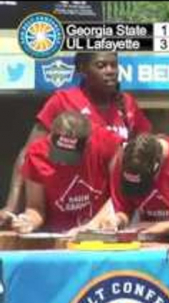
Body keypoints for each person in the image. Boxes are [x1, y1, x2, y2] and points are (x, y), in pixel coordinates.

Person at [0, 52, 151, 228]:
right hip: (64, 206)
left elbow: (145, 152)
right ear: (82, 69)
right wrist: (11, 207)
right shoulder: (63, 101)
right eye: (101, 66)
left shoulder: (128, 104)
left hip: (114, 208)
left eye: (114, 65)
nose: (110, 71)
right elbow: (28, 155)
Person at [11, 111, 120, 234]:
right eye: (59, 153)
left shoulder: (107, 142)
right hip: (58, 235)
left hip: (100, 232)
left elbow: (120, 195)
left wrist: (93, 225)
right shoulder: (37, 155)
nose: (64, 162)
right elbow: (36, 207)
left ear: (88, 143)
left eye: (71, 157)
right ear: (50, 138)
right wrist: (28, 221)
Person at [103, 133, 169, 237]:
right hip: (148, 239)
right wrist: (117, 220)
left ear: (157, 167)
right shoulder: (123, 165)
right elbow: (124, 209)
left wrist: (165, 227)